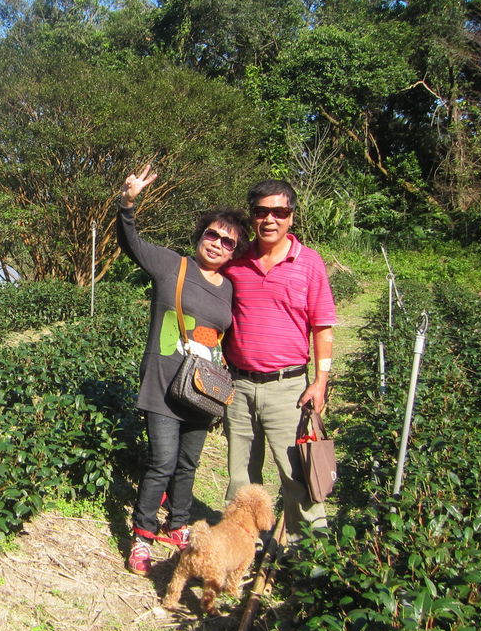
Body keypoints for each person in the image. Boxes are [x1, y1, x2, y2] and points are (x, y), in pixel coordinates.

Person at [116, 165, 251, 576]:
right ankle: (142, 536)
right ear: (199, 235)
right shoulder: (169, 265)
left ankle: (177, 527)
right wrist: (128, 201)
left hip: (204, 390)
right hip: (163, 384)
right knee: (162, 461)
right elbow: (131, 242)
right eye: (212, 234)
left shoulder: (229, 286)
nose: (218, 243)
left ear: (233, 252)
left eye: (227, 241)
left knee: (188, 465)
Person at [222, 179, 336, 541]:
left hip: (288, 388)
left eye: (279, 212)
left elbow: (322, 327)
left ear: (291, 217)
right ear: (251, 216)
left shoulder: (309, 262)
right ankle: (244, 544)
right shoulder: (235, 259)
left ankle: (312, 556)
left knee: (296, 474)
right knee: (241, 476)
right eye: (261, 212)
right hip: (237, 386)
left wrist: (321, 381)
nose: (270, 219)